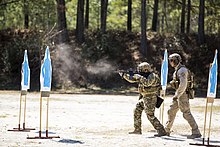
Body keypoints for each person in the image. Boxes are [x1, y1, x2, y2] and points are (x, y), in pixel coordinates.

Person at [119, 62, 167, 137]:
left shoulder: (152, 76)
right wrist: (124, 75)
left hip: (151, 97)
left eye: (140, 69)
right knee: (137, 110)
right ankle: (137, 129)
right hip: (144, 97)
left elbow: (147, 83)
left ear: (145, 70)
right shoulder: (142, 76)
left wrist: (139, 77)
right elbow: (132, 79)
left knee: (150, 115)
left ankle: (161, 130)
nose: (139, 71)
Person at [165, 53, 201, 139]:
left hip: (182, 94)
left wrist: (177, 95)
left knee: (186, 113)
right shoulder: (178, 70)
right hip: (179, 94)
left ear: (177, 61)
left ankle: (196, 131)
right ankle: (166, 130)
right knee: (171, 111)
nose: (171, 62)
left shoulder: (182, 70)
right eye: (170, 60)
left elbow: (183, 85)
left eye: (172, 60)